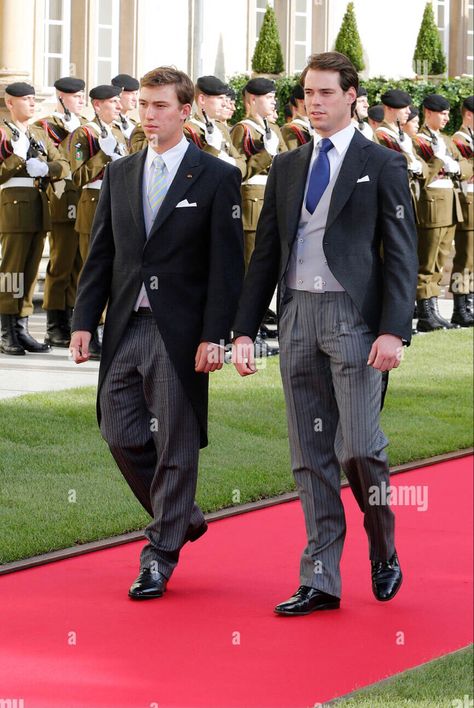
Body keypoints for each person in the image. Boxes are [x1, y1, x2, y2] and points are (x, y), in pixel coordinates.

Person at [232, 52, 418, 616]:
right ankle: (320, 577)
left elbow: (402, 256)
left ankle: (382, 545)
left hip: (355, 321)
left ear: (352, 97)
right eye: (308, 94)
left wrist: (393, 331)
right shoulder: (288, 166)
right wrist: (243, 330)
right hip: (296, 319)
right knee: (310, 455)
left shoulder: (380, 163)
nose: (314, 103)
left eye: (326, 93)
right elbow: (265, 253)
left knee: (359, 448)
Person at [70, 66, 244, 601]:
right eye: (143, 104)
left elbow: (227, 267)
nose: (148, 114)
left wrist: (216, 334)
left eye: (160, 106)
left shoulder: (215, 176)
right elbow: (101, 254)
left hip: (181, 332)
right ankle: (181, 515)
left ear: (185, 111)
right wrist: (82, 320)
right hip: (124, 327)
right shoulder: (120, 174)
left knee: (176, 443)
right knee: (119, 430)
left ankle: (159, 554)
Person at [0, 82, 69, 355]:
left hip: (39, 207)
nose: (32, 103)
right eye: (26, 99)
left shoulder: (39, 132)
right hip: (14, 207)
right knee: (12, 272)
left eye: (33, 99)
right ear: (9, 103)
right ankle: (6, 330)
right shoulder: (4, 133)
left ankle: (21, 327)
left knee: (29, 272)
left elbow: (63, 164)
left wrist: (46, 167)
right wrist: (16, 157)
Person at [69, 84, 128, 358]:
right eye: (113, 102)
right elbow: (78, 176)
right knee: (92, 271)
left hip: (117, 204)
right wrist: (103, 156)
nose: (118, 106)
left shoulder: (117, 132)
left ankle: (105, 330)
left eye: (118, 101)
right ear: (97, 105)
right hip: (92, 205)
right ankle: (89, 329)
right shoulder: (84, 134)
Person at [34, 76, 87, 347]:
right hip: (61, 196)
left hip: (82, 198)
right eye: (76, 97)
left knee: (79, 265)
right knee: (61, 263)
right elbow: (56, 163)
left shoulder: (84, 126)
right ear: (61, 98)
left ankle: (70, 320)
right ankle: (54, 324)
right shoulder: (44, 126)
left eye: (82, 96)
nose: (81, 101)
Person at [412, 94, 470, 332]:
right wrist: (440, 161)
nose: (446, 117)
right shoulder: (418, 140)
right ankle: (426, 311)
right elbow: (423, 172)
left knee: (440, 260)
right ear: (428, 112)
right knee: (428, 261)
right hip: (433, 205)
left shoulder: (445, 140)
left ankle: (435, 310)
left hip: (451, 204)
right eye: (442, 113)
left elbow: (465, 165)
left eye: (447, 113)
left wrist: (455, 166)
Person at [230, 77, 287, 269]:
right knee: (252, 264)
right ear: (253, 100)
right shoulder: (242, 129)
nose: (273, 101)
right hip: (253, 204)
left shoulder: (275, 129)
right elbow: (239, 171)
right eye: (269, 97)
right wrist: (266, 155)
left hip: (276, 197)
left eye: (274, 97)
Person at [183, 75, 245, 177]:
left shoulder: (221, 128)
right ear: (202, 99)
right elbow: (191, 173)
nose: (225, 104)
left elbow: (242, 166)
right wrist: (212, 148)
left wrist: (228, 161)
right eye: (220, 98)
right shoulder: (188, 131)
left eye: (225, 99)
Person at [449, 95, 473, 326]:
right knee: (465, 258)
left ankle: (469, 301)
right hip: (468, 202)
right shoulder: (459, 140)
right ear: (468, 115)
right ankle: (460, 304)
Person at [281, 84, 312, 150]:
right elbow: (294, 157)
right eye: (309, 94)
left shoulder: (317, 125)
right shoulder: (291, 129)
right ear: (300, 101)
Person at [111, 73, 139, 144]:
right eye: (131, 94)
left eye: (136, 94)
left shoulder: (133, 124)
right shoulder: (109, 123)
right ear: (118, 94)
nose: (135, 99)